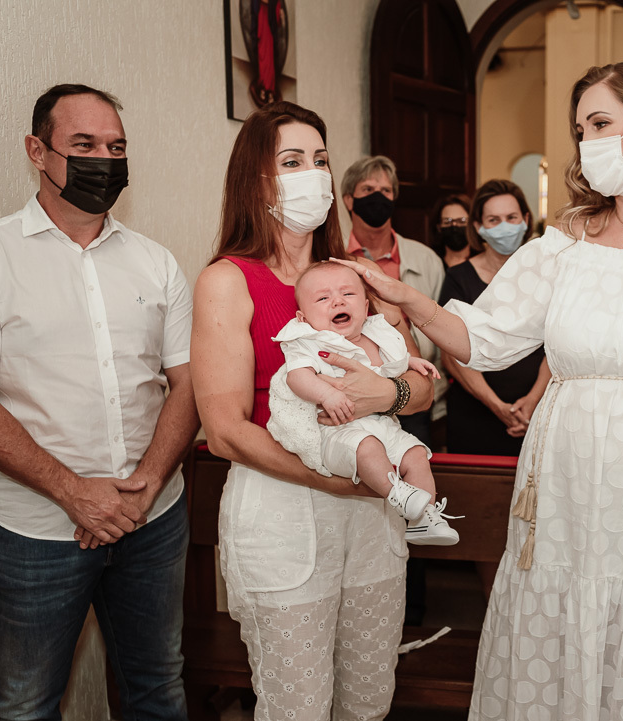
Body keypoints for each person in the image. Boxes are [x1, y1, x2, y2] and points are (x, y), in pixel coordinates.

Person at [332, 61, 623, 720]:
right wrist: (407, 298)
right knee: (563, 631)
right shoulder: (565, 241)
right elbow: (481, 338)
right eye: (580, 129)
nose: (586, 142)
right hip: (570, 489)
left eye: (601, 123)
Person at [0, 84, 199, 719]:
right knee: (23, 704)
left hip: (153, 518)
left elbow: (188, 385)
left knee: (159, 689)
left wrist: (146, 483)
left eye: (116, 147)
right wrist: (72, 491)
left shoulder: (157, 262)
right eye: (83, 144)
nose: (104, 160)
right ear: (37, 150)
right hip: (33, 529)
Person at [191, 101, 434, 721]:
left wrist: (391, 395)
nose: (313, 174)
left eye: (321, 160)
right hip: (284, 510)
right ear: (258, 179)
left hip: (372, 520)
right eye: (292, 161)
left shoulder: (359, 275)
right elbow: (223, 431)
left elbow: (420, 385)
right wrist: (339, 480)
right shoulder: (229, 279)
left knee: (368, 702)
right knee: (297, 707)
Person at [269, 260, 458, 544]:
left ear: (366, 308)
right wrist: (326, 394)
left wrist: (413, 361)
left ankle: (424, 518)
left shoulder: (378, 336)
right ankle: (397, 494)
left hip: (383, 425)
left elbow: (395, 367)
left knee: (417, 453)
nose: (337, 301)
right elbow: (296, 377)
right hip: (336, 431)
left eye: (348, 294)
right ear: (303, 317)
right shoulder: (309, 341)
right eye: (323, 298)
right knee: (368, 448)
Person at [439, 179, 550, 455]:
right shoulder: (458, 278)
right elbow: (451, 353)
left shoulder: (547, 275)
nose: (505, 226)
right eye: (494, 219)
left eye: (511, 218)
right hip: (475, 415)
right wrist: (497, 406)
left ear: (525, 219)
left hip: (538, 413)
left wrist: (532, 400)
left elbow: (559, 342)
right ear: (478, 226)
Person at [341, 155, 447, 445]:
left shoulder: (426, 260)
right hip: (353, 396)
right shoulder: (334, 257)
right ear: (349, 200)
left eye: (385, 191)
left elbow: (443, 327)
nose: (378, 197)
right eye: (368, 190)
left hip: (418, 394)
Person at [428, 193, 473, 267]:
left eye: (462, 221)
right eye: (447, 222)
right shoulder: (430, 261)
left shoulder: (484, 262)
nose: (454, 226)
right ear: (439, 227)